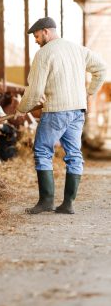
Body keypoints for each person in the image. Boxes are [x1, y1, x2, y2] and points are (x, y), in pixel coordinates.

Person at [16, 17, 107, 214]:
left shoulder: (44, 53)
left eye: (37, 36)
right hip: (77, 111)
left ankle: (46, 201)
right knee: (74, 155)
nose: (36, 40)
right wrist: (89, 92)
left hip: (56, 111)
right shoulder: (78, 49)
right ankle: (68, 204)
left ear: (46, 32)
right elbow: (101, 69)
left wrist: (22, 108)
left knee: (42, 151)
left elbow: (35, 89)